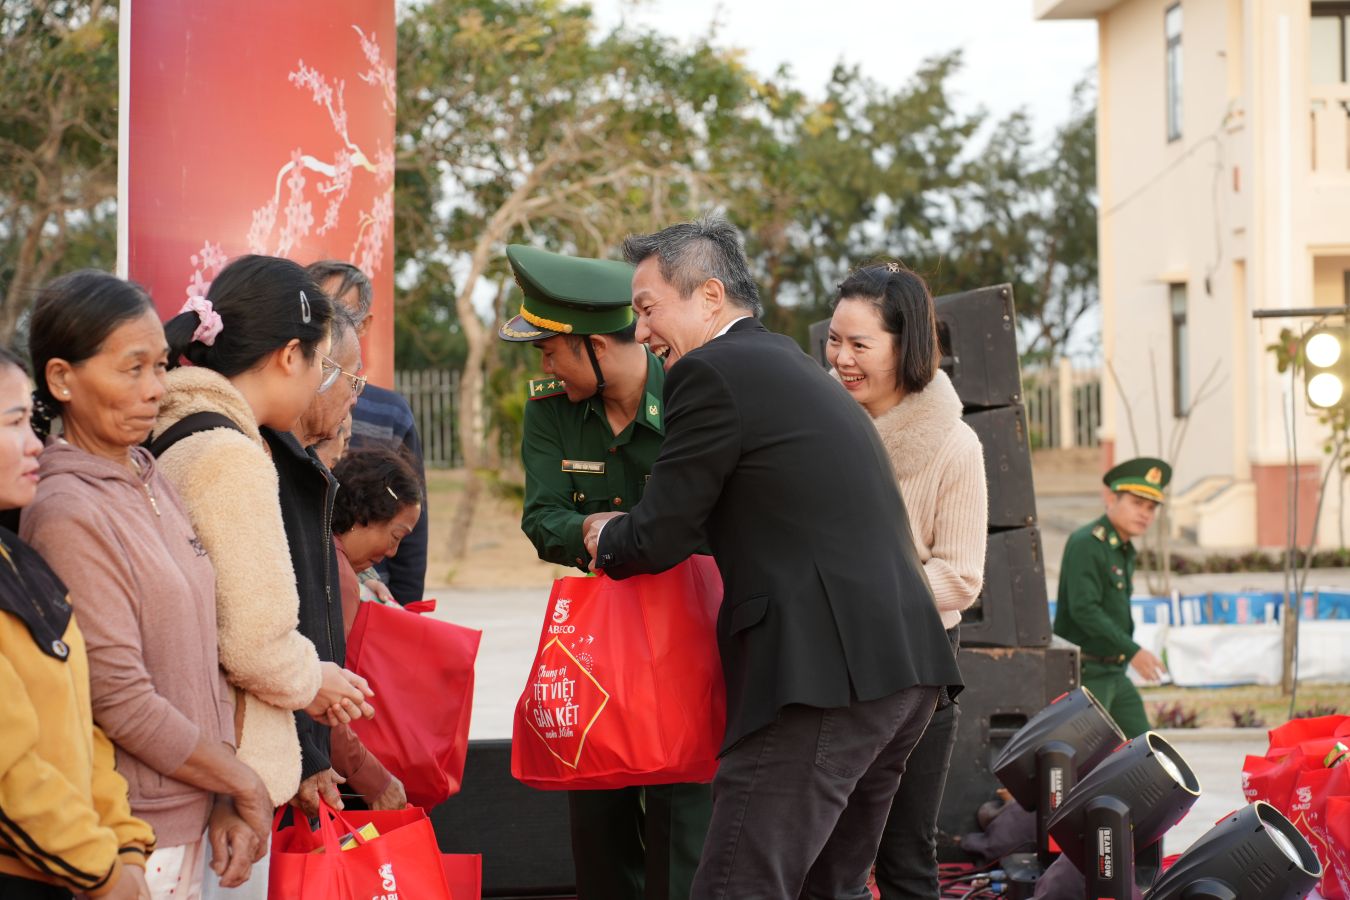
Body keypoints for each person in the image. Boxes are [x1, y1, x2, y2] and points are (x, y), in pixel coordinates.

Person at [584, 217, 963, 899]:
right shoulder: (786, 364)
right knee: (828, 889)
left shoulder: (709, 371)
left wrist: (606, 536)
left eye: (647, 309)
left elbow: (660, 532)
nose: (640, 333)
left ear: (708, 296)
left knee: (739, 886)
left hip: (825, 678)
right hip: (902, 672)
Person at [20, 272, 271, 897]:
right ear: (61, 379)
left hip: (194, 817)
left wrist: (221, 793)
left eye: (159, 366)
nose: (155, 389)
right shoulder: (67, 510)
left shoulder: (147, 472)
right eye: (132, 369)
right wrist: (239, 779)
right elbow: (119, 698)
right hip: (134, 836)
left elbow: (202, 657)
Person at [152, 254, 374, 898]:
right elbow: (254, 641)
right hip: (224, 776)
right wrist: (315, 679)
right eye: (322, 365)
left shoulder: (179, 426)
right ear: (288, 356)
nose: (321, 387)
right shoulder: (233, 456)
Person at [498, 244, 713, 900]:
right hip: (599, 645)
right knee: (596, 818)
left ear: (594, 345)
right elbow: (543, 518)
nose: (544, 366)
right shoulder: (550, 411)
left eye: (550, 351)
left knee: (685, 822)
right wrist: (596, 529)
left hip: (691, 639)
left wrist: (636, 536)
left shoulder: (693, 393)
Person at [827, 262, 988, 900]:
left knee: (904, 852)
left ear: (907, 347)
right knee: (824, 851)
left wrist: (858, 596)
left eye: (859, 344)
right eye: (833, 340)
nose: (841, 359)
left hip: (915, 666)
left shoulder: (955, 445)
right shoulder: (813, 427)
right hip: (823, 656)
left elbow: (961, 577)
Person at [0, 345, 156, 900]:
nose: (35, 443)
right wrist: (105, 872)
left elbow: (80, 722)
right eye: (14, 423)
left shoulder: (22, 560)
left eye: (31, 422)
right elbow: (10, 773)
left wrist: (126, 846)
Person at [306, 260, 428, 605]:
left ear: (365, 324)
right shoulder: (289, 407)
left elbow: (411, 518)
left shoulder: (391, 413)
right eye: (321, 309)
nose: (333, 323)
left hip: (373, 598)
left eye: (344, 312)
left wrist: (403, 611)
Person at [1053, 457, 1171, 738]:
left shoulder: (1123, 549)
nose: (1145, 514)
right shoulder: (1088, 543)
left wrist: (1127, 653)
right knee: (1082, 755)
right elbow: (1084, 609)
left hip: (1114, 672)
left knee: (1144, 749)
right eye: (1137, 503)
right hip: (1087, 672)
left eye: (1151, 507)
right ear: (1110, 498)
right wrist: (1134, 651)